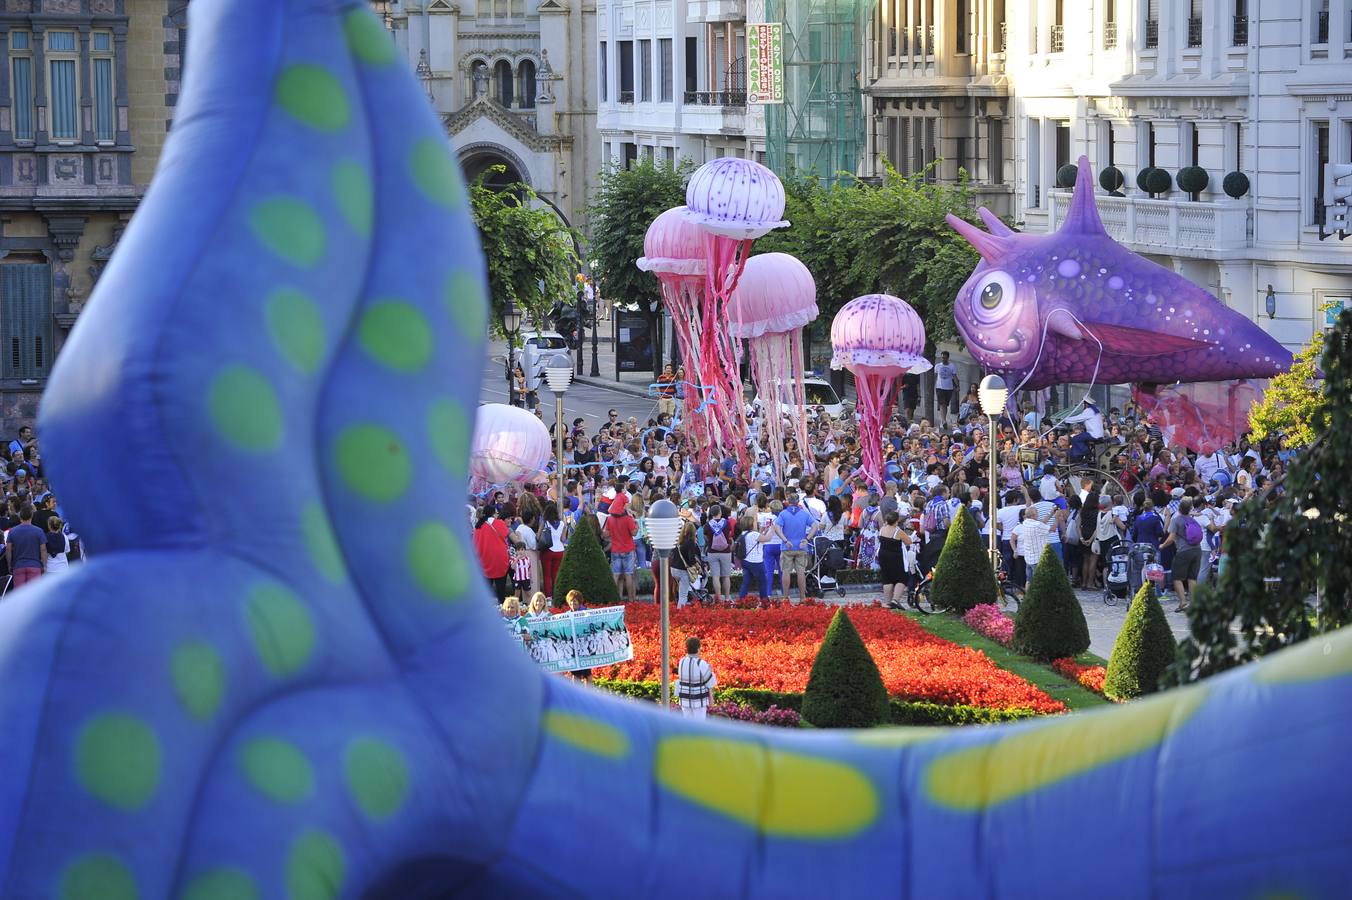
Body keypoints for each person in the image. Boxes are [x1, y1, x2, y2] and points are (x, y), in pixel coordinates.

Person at [772, 494, 818, 604]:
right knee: (801, 572)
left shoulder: (783, 514)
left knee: (786, 572)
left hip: (787, 546)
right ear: (798, 501)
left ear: (788, 501)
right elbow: (815, 526)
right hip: (801, 546)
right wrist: (807, 539)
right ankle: (802, 597)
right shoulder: (804, 513)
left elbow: (777, 527)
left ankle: (786, 597)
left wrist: (785, 540)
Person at [1161, 497, 1203, 612]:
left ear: (1179, 508)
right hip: (1197, 550)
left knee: (1177, 577)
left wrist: (1162, 545)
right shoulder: (1192, 519)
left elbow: (1171, 538)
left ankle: (1183, 602)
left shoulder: (1177, 520)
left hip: (1184, 551)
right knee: (1192, 577)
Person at [472, 506, 516, 603]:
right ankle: (502, 606)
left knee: (486, 589)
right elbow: (507, 534)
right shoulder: (498, 523)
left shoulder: (478, 526)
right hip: (499, 559)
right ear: (493, 513)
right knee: (501, 587)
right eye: (496, 512)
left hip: (483, 559)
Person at [604, 496, 639, 604]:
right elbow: (634, 533)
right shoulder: (628, 519)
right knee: (629, 574)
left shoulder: (610, 519)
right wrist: (636, 525)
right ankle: (630, 599)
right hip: (628, 549)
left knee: (616, 574)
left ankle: (613, 599)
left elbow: (606, 534)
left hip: (615, 549)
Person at [5, 503, 45, 588]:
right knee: (34, 595)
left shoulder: (12, 531)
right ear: (31, 516)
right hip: (35, 565)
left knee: (20, 596)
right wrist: (44, 565)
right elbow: (43, 550)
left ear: (20, 517)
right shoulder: (39, 531)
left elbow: (8, 550)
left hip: (18, 566)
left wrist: (9, 565)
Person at [676, 636, 717, 719]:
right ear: (698, 649)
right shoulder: (701, 663)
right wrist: (710, 671)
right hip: (699, 700)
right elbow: (709, 683)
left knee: (687, 725)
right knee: (699, 725)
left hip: (684, 699)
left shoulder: (682, 661)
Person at [877, 509, 911, 607]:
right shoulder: (898, 531)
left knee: (887, 578)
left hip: (883, 555)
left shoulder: (882, 529)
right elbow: (908, 541)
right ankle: (895, 600)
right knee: (902, 577)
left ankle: (888, 602)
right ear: (896, 521)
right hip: (895, 557)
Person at [703, 504, 736, 602]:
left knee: (715, 576)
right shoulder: (726, 522)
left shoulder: (708, 524)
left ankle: (718, 599)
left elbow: (706, 538)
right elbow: (729, 535)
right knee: (726, 576)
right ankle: (726, 598)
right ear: (720, 512)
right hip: (725, 551)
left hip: (712, 552)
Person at [669, 520, 701, 608]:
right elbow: (691, 560)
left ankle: (677, 606)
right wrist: (698, 567)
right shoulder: (690, 543)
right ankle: (680, 612)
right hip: (682, 570)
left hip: (673, 569)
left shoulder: (678, 542)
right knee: (683, 595)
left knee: (679, 590)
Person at [735, 514, 765, 598]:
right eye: (755, 522)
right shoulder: (754, 534)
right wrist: (772, 530)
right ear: (751, 524)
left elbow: (760, 537)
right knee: (762, 582)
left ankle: (741, 599)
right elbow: (767, 538)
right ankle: (764, 600)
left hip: (745, 560)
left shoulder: (743, 533)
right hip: (756, 561)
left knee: (746, 582)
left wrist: (764, 530)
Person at [934, 351, 958, 428]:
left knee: (946, 404)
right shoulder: (937, 366)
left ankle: (943, 420)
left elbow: (954, 376)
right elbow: (935, 376)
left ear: (948, 358)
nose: (943, 359)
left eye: (944, 357)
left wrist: (957, 386)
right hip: (940, 387)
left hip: (949, 388)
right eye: (942, 357)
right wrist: (933, 385)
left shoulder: (952, 366)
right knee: (942, 404)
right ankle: (943, 420)